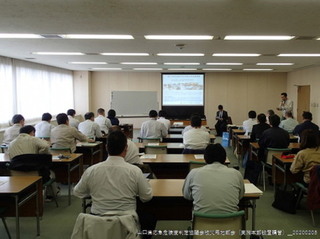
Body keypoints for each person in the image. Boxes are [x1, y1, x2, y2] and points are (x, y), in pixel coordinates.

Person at [73, 130, 153, 235]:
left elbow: (78, 192)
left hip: (97, 222)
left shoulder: (91, 170)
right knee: (150, 217)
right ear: (126, 149)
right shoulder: (135, 171)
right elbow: (146, 197)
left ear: (106, 148)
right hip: (126, 222)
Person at [183, 143, 244, 214]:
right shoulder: (236, 174)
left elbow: (187, 195)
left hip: (202, 223)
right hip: (231, 223)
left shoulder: (193, 173)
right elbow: (240, 196)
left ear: (205, 159)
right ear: (224, 159)